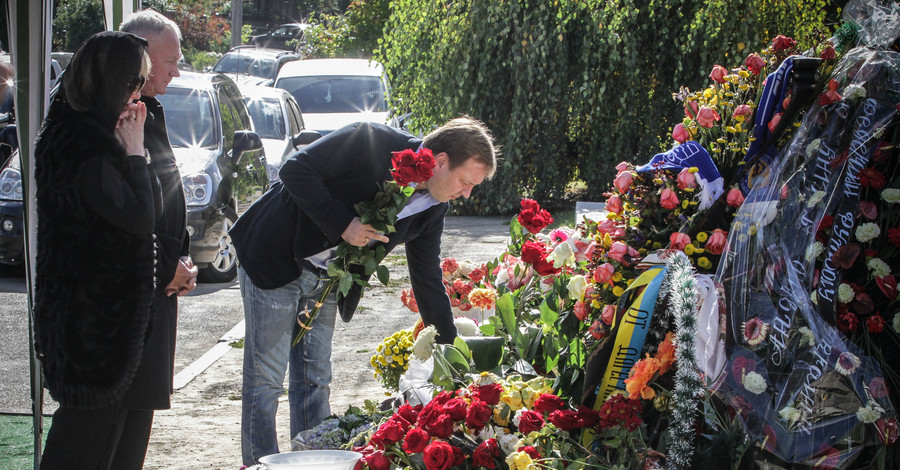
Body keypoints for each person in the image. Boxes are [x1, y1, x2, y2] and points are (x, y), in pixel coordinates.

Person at [230, 117, 497, 464]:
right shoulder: (370, 140)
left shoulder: (434, 208)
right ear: (442, 161)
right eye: (465, 182)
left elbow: (427, 277)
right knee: (266, 381)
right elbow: (295, 170)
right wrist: (343, 224)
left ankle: (313, 464)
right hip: (275, 255)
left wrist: (450, 352)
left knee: (315, 380)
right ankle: (257, 465)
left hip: (326, 279)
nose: (466, 194)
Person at [33, 31, 157, 469]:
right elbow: (140, 217)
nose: (137, 94)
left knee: (96, 444)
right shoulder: (84, 143)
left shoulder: (79, 131)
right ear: (108, 80)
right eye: (133, 82)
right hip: (90, 326)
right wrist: (137, 153)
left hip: (93, 319)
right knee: (81, 448)